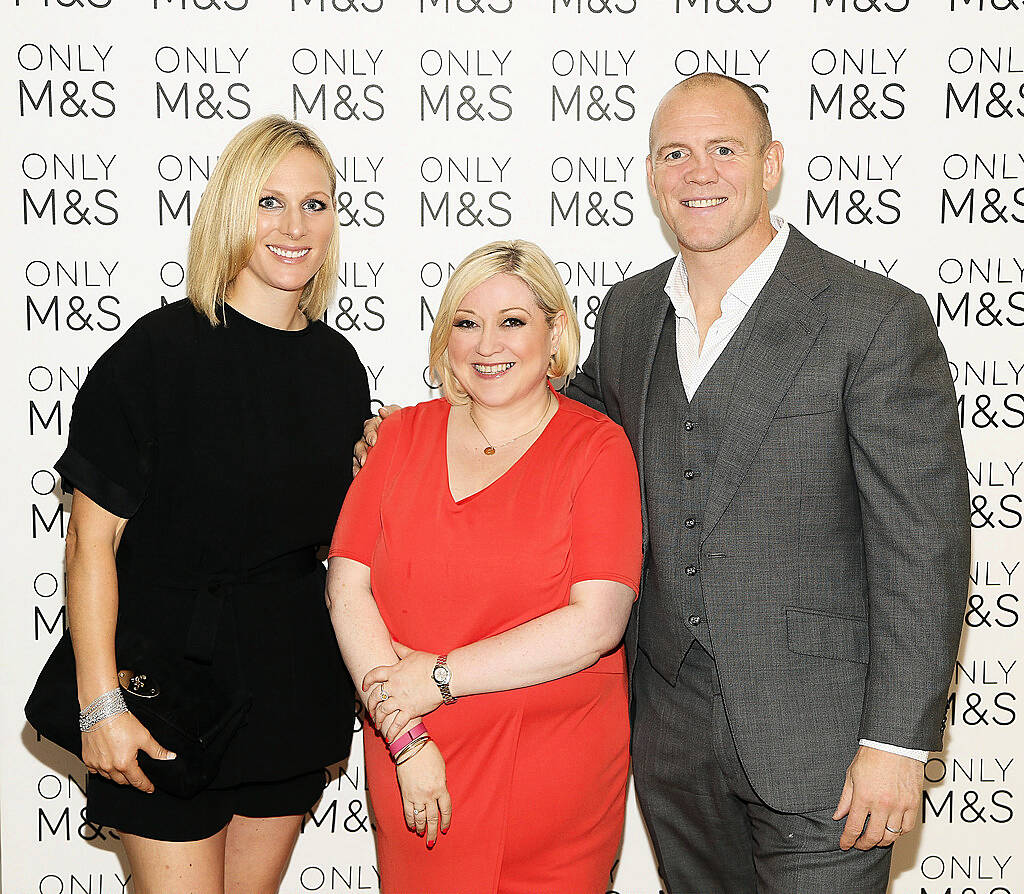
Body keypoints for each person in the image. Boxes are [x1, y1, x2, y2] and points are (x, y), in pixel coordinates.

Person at [357, 74, 971, 894]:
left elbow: (923, 548)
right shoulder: (632, 312)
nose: (699, 172)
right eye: (675, 154)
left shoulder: (873, 317)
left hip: (824, 747)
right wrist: (419, 424)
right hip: (668, 742)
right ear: (652, 177)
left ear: (771, 163)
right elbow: (538, 412)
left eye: (724, 149)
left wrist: (897, 746)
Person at [55, 116, 369, 894]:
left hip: (291, 688)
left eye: (316, 204)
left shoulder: (339, 368)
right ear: (232, 210)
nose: (295, 227)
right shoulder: (156, 354)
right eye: (270, 202)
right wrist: (98, 705)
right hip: (165, 689)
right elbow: (90, 545)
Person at [327, 240, 642, 894]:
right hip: (417, 765)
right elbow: (347, 588)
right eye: (467, 323)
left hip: (556, 779)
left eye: (513, 321)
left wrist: (435, 680)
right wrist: (405, 734)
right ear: (446, 339)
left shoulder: (597, 446)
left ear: (555, 331)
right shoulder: (399, 436)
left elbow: (597, 622)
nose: (487, 343)